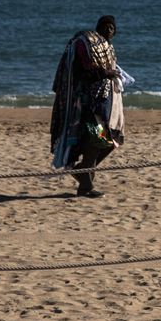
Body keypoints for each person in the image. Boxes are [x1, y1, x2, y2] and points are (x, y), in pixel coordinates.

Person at [50, 15, 126, 198]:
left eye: (112, 28)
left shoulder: (108, 48)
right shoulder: (87, 42)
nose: (109, 30)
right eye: (106, 27)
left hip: (103, 103)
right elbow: (87, 68)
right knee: (96, 138)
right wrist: (104, 72)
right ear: (99, 27)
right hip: (87, 104)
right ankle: (85, 185)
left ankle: (83, 171)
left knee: (111, 142)